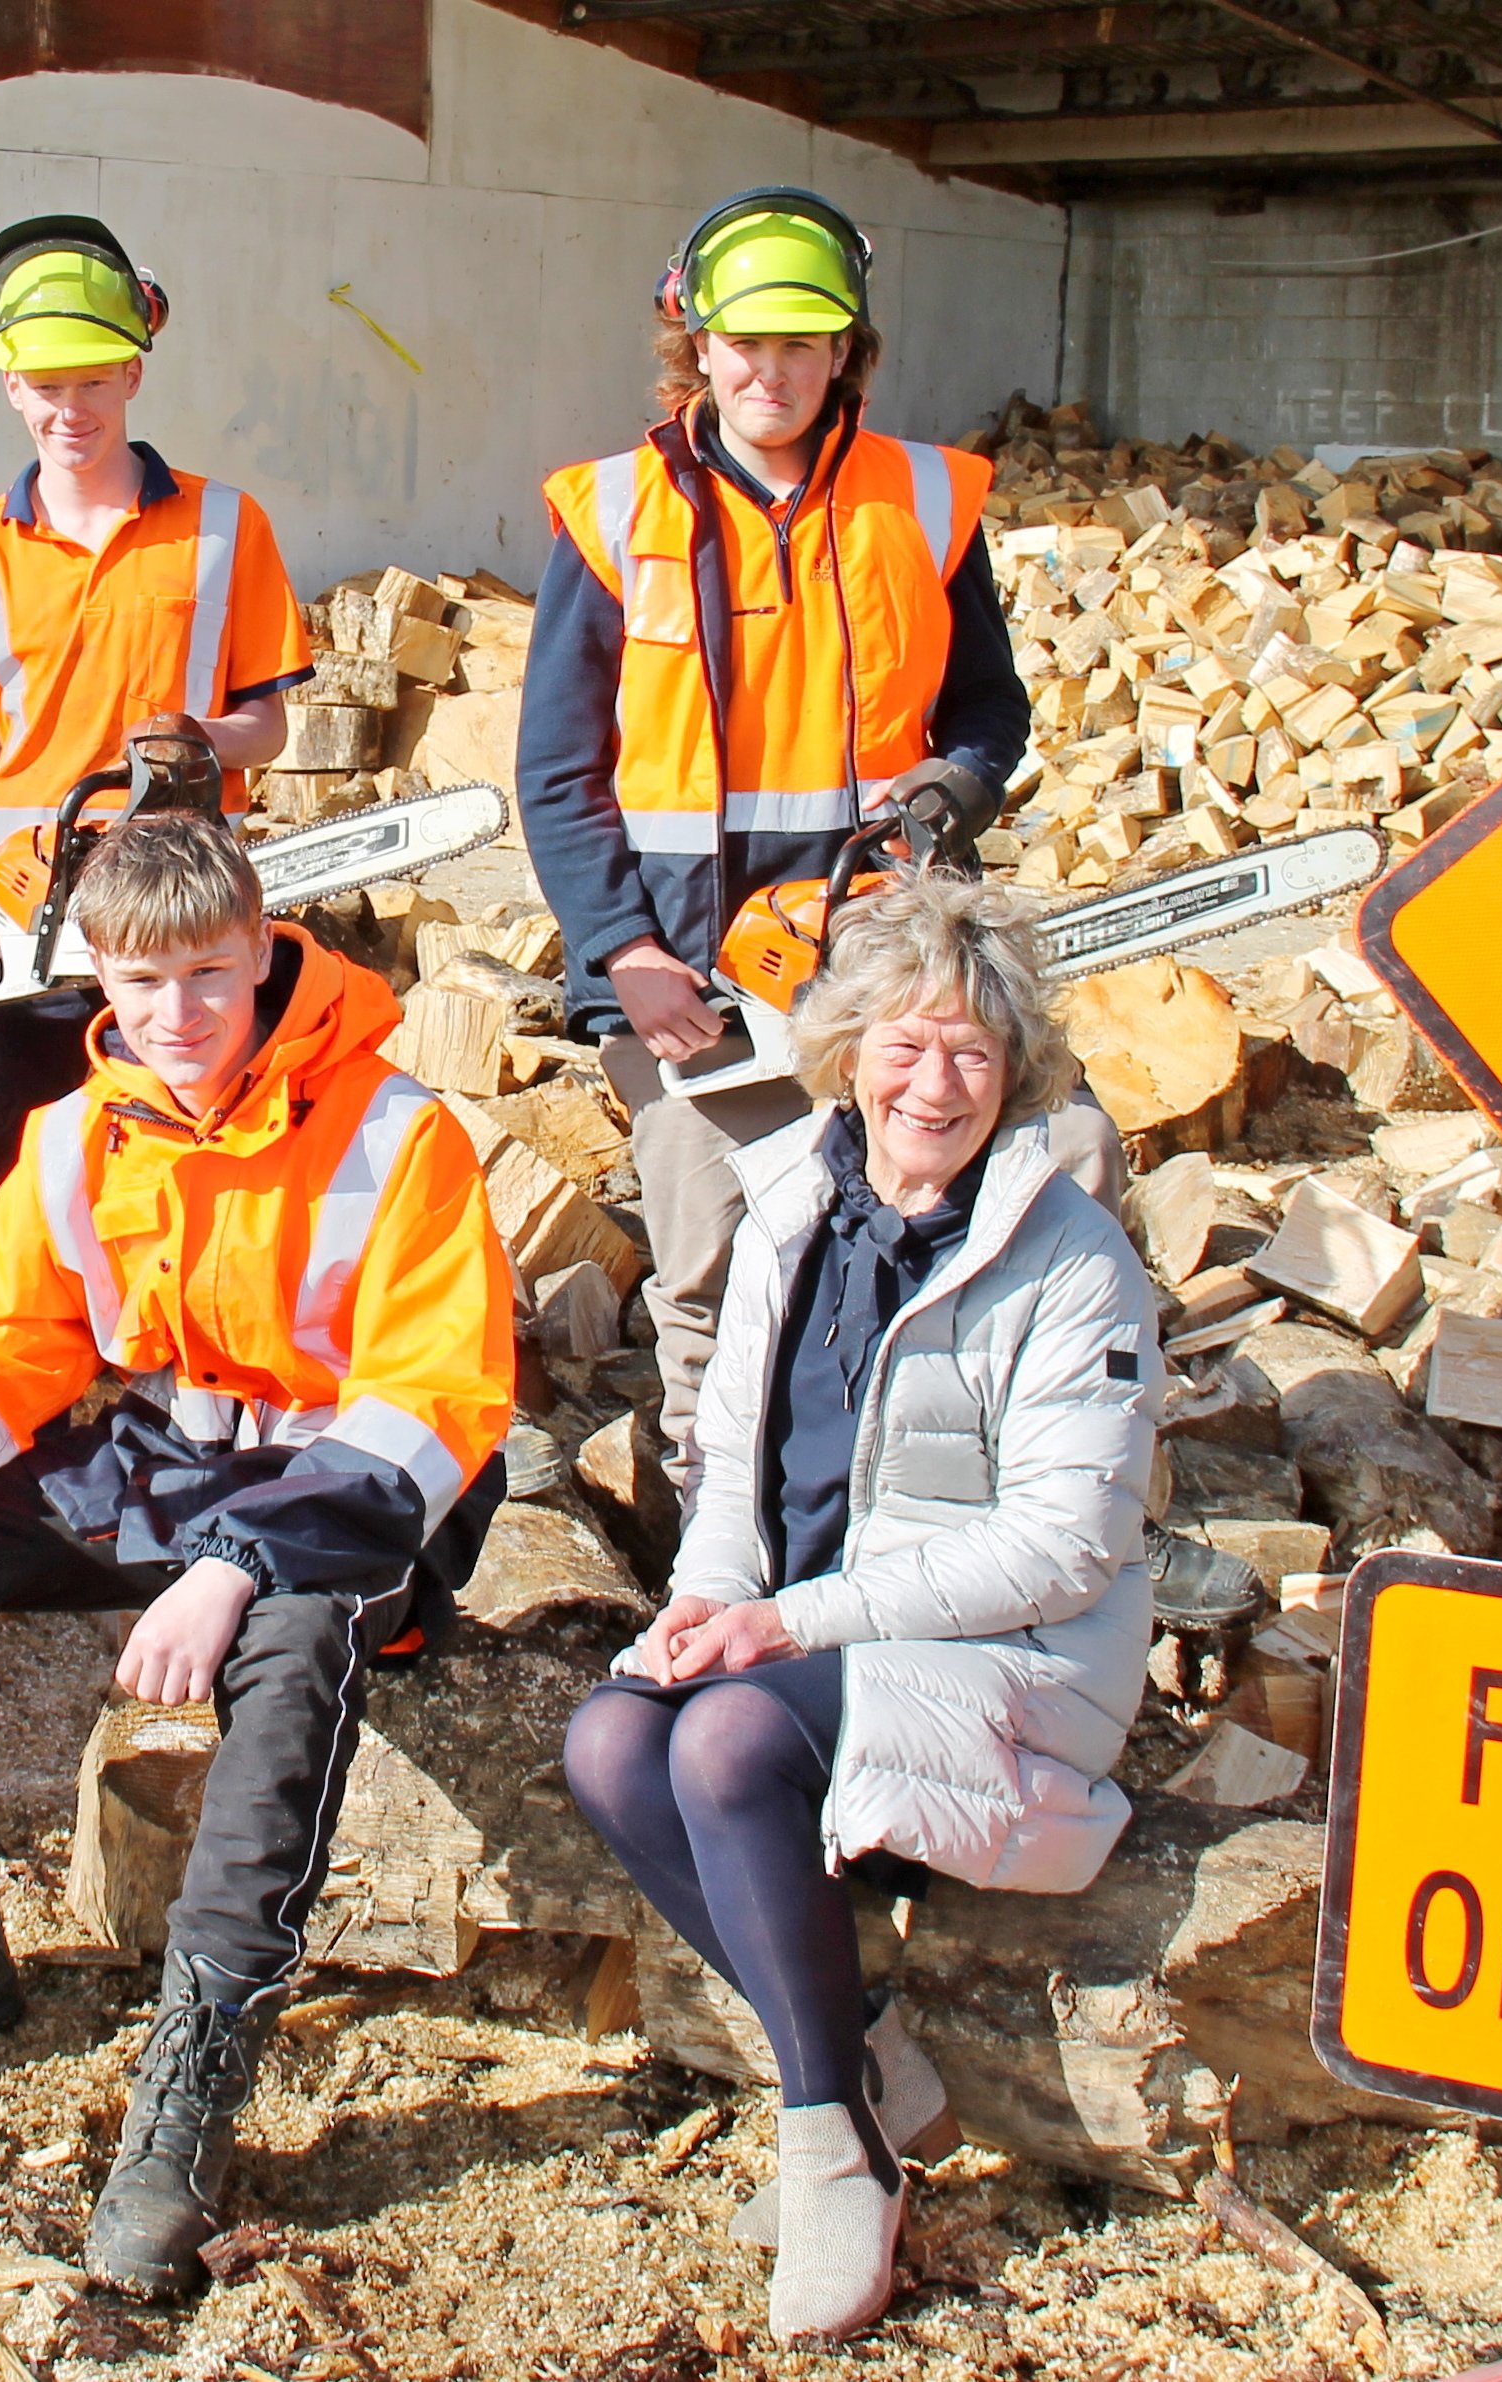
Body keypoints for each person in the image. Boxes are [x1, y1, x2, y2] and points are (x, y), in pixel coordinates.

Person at [0, 811, 510, 2296]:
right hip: (170, 1458)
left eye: (208, 978)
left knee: (289, 1633)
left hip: (351, 1499)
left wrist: (231, 1559)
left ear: (266, 953)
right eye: (140, 989)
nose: (176, 1018)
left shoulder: (405, 1131)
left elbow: (434, 1403)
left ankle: (193, 2077)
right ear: (98, 983)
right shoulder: (82, 1131)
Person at [560, 873, 1158, 2342]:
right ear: (846, 1052)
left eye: (970, 1050)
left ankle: (831, 2136)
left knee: (721, 1749)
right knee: (609, 1743)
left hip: (1008, 1657)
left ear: (1016, 1072)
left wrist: (791, 1626)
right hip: (812, 1633)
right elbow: (730, 1468)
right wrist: (710, 1601)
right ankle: (872, 2052)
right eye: (903, 1041)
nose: (933, 1081)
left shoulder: (1071, 1257)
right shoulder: (792, 1210)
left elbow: (1067, 1545)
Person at [516, 187, 1064, 1506]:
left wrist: (957, 786)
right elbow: (555, 769)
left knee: (916, 1219)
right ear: (696, 343)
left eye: (802, 345)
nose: (773, 371)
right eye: (747, 343)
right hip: (683, 971)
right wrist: (619, 950)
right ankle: (715, 1526)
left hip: (879, 949)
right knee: (709, 1252)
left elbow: (991, 705)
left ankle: (901, 1495)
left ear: (844, 354)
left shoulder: (924, 501)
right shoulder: (614, 513)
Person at [0, 215, 310, 1187]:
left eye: (92, 381)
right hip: (18, 886)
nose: (70, 410)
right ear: (10, 387)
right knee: (32, 1166)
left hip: (178, 888)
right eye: (47, 388)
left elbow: (270, 723)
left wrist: (198, 736)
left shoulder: (224, 524)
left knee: (176, 1160)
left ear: (134, 373)